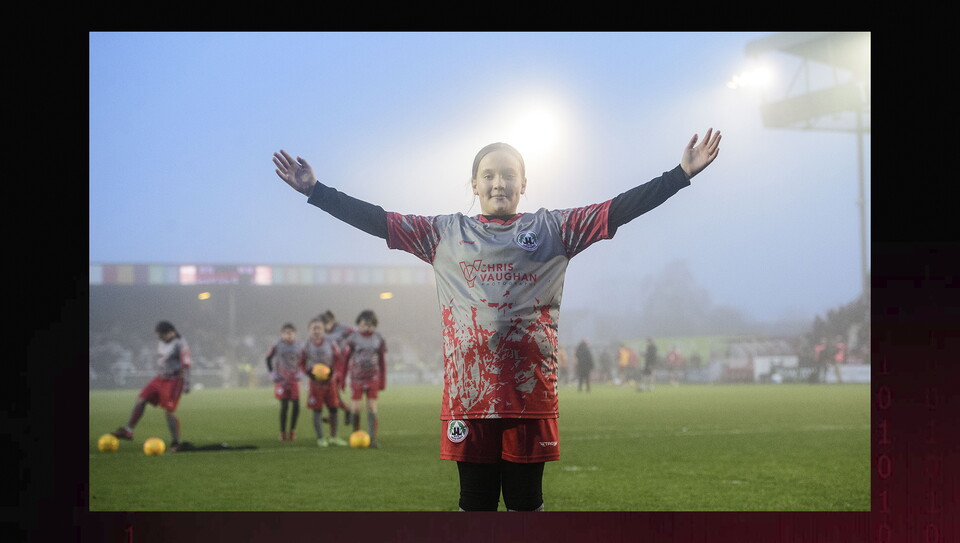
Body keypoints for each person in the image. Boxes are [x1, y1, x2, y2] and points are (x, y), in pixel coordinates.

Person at [273, 126, 721, 511]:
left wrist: (679, 176)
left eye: (508, 175)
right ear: (474, 183)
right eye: (489, 175)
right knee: (476, 506)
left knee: (527, 506)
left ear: (524, 183)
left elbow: (618, 209)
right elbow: (379, 221)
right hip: (470, 400)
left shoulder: (553, 229)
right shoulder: (442, 234)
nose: (498, 183)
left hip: (530, 397)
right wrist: (317, 191)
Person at [110, 321, 192, 451]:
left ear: (171, 332)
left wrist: (186, 384)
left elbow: (186, 365)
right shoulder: (163, 341)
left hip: (174, 380)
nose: (160, 339)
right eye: (158, 337)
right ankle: (128, 430)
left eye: (162, 336)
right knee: (141, 399)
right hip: (160, 378)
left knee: (169, 412)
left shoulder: (181, 344)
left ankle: (176, 442)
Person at [341, 310, 387, 448]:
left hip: (373, 377)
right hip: (357, 378)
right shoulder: (353, 338)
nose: (367, 327)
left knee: (372, 408)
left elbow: (382, 361)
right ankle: (356, 435)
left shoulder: (379, 338)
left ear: (375, 325)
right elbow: (346, 359)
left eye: (370, 325)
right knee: (355, 408)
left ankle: (373, 439)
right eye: (364, 324)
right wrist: (343, 379)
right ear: (358, 324)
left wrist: (382, 380)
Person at [300, 316, 347, 447]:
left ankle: (334, 436)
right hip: (315, 384)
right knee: (317, 410)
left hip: (330, 382)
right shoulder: (306, 345)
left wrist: (333, 372)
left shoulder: (331, 343)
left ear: (324, 330)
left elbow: (339, 359)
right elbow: (301, 363)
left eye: (319, 328)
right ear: (309, 331)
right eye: (314, 328)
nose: (316, 331)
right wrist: (309, 373)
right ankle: (321, 438)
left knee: (334, 409)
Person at [266, 323, 303, 441]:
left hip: (294, 380)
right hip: (281, 380)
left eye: (291, 333)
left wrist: (301, 372)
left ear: (295, 334)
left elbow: (304, 360)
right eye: (286, 333)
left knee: (296, 405)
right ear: (282, 334)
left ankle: (292, 431)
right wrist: (272, 373)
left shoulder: (299, 346)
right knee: (284, 406)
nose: (289, 335)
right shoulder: (277, 345)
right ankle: (282, 432)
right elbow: (268, 358)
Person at [321, 310, 356, 426]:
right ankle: (346, 410)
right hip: (328, 365)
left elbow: (353, 332)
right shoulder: (324, 333)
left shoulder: (342, 329)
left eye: (326, 323)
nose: (325, 326)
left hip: (339, 365)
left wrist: (347, 347)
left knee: (333, 393)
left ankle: (341, 413)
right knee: (329, 394)